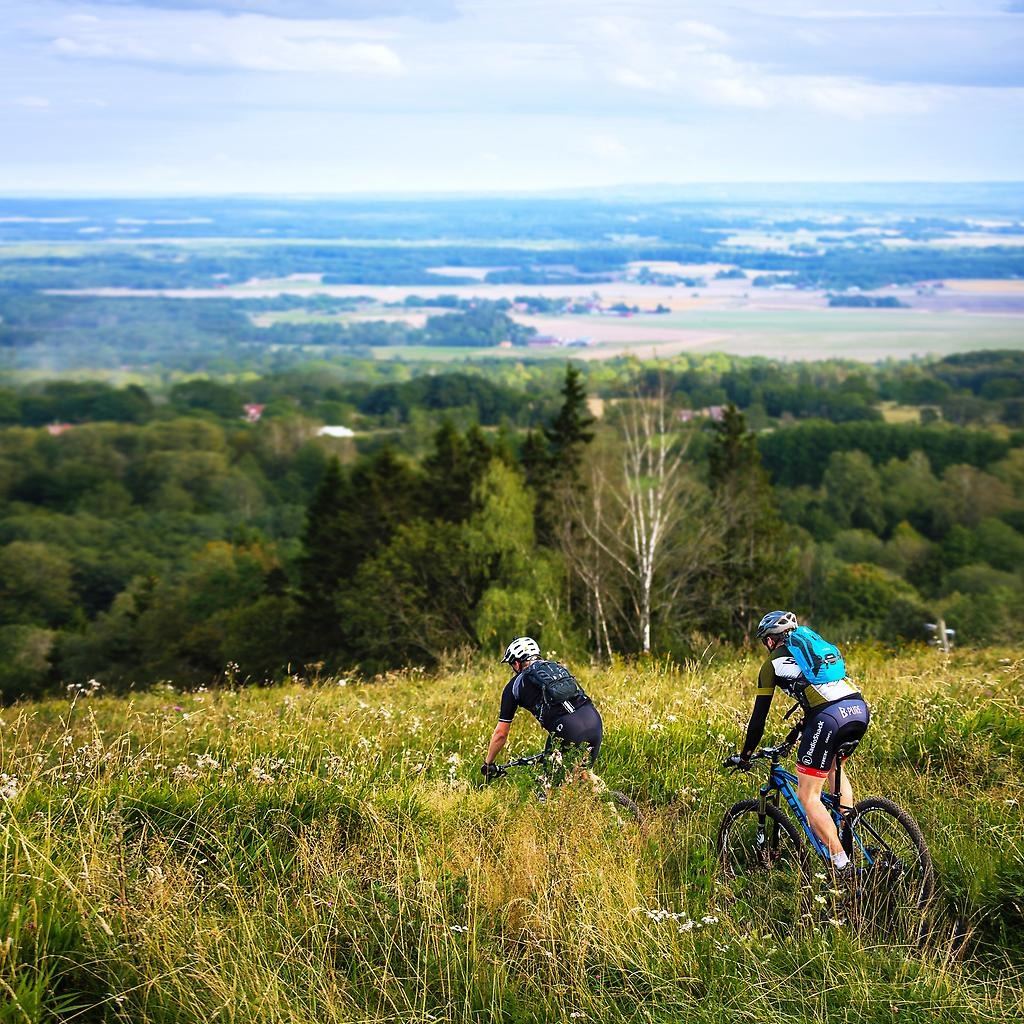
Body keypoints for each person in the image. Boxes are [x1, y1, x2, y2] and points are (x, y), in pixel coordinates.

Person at [730, 610, 870, 872]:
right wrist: (794, 736)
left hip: (829, 716)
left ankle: (843, 867)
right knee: (834, 768)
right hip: (858, 708)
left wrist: (745, 755)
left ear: (770, 640)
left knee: (807, 795)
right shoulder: (814, 653)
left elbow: (758, 719)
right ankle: (846, 834)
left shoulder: (772, 664)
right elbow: (820, 698)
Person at [481, 636, 603, 779]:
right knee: (583, 777)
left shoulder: (514, 686)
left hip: (568, 728)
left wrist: (488, 763)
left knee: (549, 786)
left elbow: (501, 733)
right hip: (594, 720)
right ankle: (607, 793)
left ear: (517, 663)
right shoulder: (557, 668)